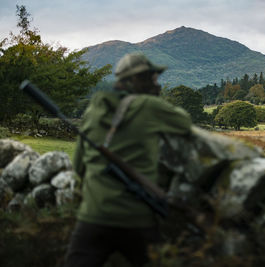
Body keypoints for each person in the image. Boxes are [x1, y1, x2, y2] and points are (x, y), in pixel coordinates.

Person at [64, 53, 192, 267]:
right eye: (152, 78)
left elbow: (78, 166)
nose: (157, 83)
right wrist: (155, 99)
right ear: (135, 80)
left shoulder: (94, 108)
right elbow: (184, 122)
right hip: (137, 219)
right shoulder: (149, 106)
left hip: (93, 217)